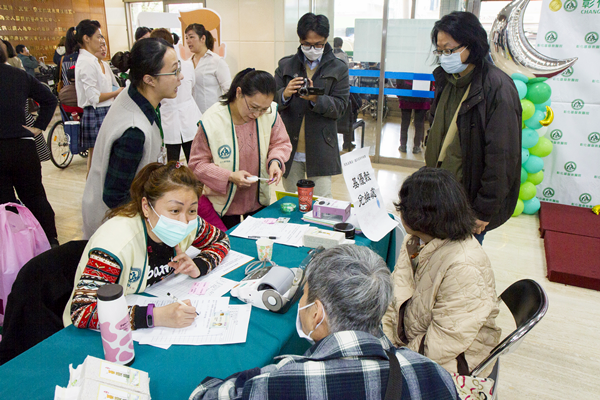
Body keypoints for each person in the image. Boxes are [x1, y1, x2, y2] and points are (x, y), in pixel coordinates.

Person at [189, 245, 459, 400]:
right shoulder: (434, 374)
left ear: (317, 313)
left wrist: (252, 377)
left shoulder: (281, 382)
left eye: (304, 294)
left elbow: (202, 395)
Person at [64, 162, 230, 330]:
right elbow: (82, 312)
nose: (184, 221)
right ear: (146, 207)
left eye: (192, 210)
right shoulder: (116, 244)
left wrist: (200, 265)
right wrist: (154, 316)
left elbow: (221, 240)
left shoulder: (191, 224)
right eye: (174, 210)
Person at [382, 168, 501, 375]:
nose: (400, 212)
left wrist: (391, 360)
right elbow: (395, 294)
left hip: (456, 359)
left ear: (421, 216)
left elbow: (443, 343)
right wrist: (384, 339)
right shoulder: (416, 241)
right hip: (416, 339)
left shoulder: (464, 267)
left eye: (405, 207)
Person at [425, 12, 522, 243]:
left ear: (473, 44)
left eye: (450, 50)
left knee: (460, 266)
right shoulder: (448, 80)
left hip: (469, 201)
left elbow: (502, 156)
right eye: (440, 51)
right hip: (440, 192)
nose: (444, 57)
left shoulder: (497, 88)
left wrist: (483, 210)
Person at [81, 37, 182, 239]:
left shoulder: (137, 95)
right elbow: (115, 196)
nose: (180, 77)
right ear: (149, 79)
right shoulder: (134, 130)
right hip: (114, 227)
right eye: (174, 71)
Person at [188, 69, 292, 230]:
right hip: (223, 207)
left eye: (263, 109)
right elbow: (196, 165)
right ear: (239, 93)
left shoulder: (270, 113)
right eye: (253, 107)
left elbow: (281, 143)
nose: (257, 114)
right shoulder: (212, 121)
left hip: (258, 201)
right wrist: (229, 176)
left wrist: (275, 161)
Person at [275, 13, 349, 198]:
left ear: (326, 41)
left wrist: (316, 98)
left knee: (322, 204)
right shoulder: (286, 65)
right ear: (300, 40)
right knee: (292, 202)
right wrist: (285, 93)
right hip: (290, 147)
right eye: (307, 44)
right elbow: (269, 102)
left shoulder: (338, 68)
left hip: (321, 147)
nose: (313, 49)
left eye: (319, 45)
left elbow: (340, 107)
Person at [0, 41, 59, 246]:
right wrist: (38, 126)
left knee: (5, 205)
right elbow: (50, 99)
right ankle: (50, 241)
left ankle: (15, 249)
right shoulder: (18, 76)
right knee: (35, 197)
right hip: (22, 147)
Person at [74, 19, 123, 176]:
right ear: (86, 38)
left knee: (100, 159)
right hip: (96, 113)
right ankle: (92, 195)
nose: (102, 40)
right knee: (96, 160)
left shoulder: (95, 61)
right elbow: (94, 97)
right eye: (98, 36)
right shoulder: (87, 63)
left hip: (106, 110)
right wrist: (117, 92)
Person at [150, 28, 202, 163]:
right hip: (185, 118)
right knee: (193, 160)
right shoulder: (187, 64)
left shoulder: (156, 69)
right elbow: (192, 88)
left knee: (173, 162)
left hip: (174, 119)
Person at [185, 23, 232, 113]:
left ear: (203, 38)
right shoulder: (188, 63)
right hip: (193, 115)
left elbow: (228, 90)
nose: (188, 41)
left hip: (213, 114)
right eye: (186, 38)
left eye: (191, 37)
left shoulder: (217, 61)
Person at [396, 80, 432, 154]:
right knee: (419, 123)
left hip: (406, 94)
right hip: (421, 96)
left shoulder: (406, 68)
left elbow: (399, 81)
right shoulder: (425, 68)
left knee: (405, 122)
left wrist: (400, 94)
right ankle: (416, 146)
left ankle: (403, 145)